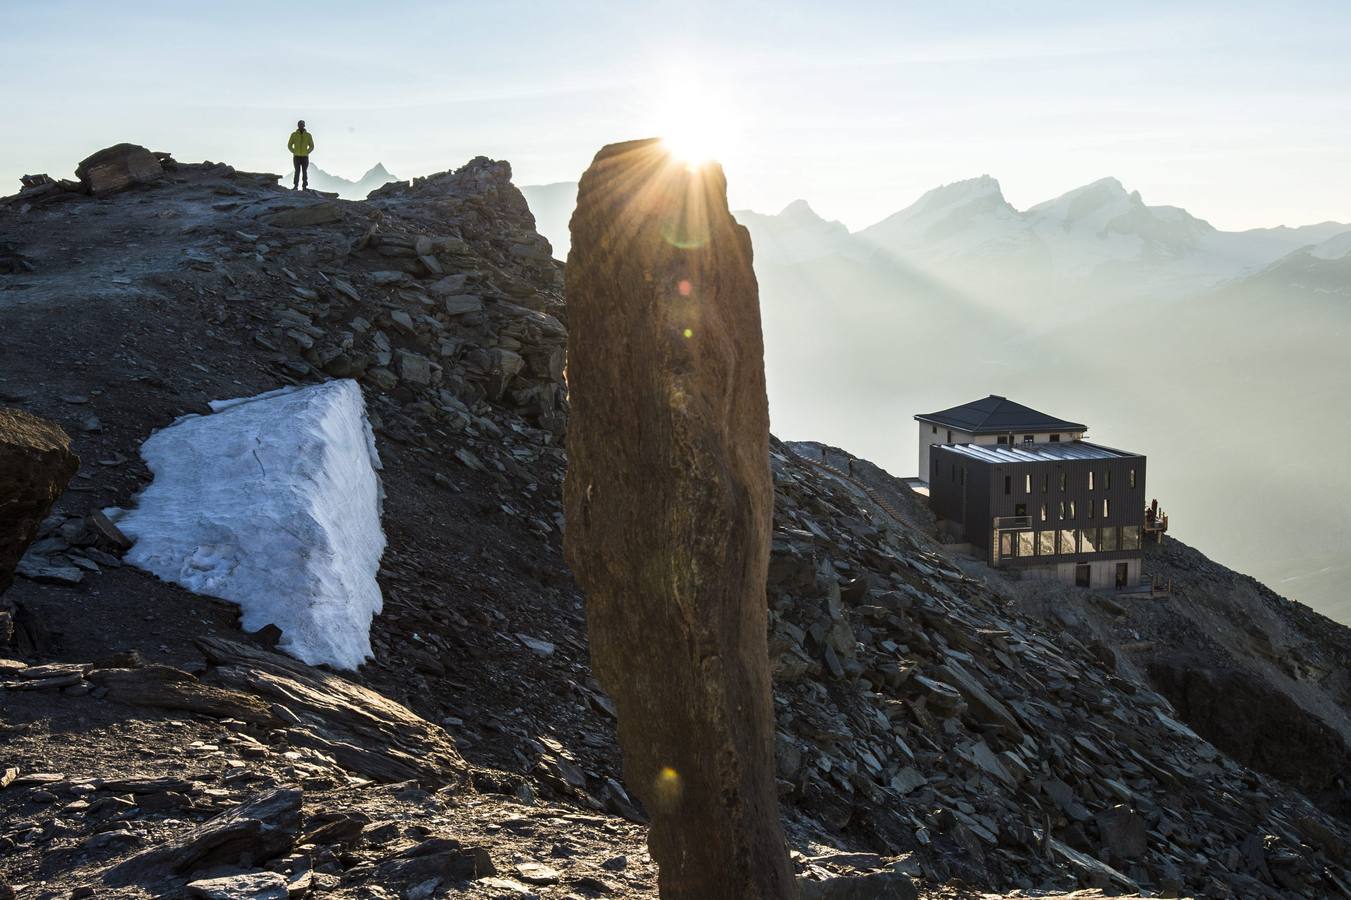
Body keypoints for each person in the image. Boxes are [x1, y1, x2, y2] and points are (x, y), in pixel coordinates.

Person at [287, 120, 314, 190]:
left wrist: (307, 152)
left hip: (305, 157)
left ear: (304, 125)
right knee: (297, 171)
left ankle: (304, 186)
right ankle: (295, 186)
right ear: (298, 125)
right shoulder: (294, 135)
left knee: (304, 171)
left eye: (302, 124)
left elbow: (312, 146)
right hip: (296, 157)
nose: (301, 126)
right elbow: (289, 145)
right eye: (300, 124)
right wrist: (294, 151)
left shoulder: (308, 135)